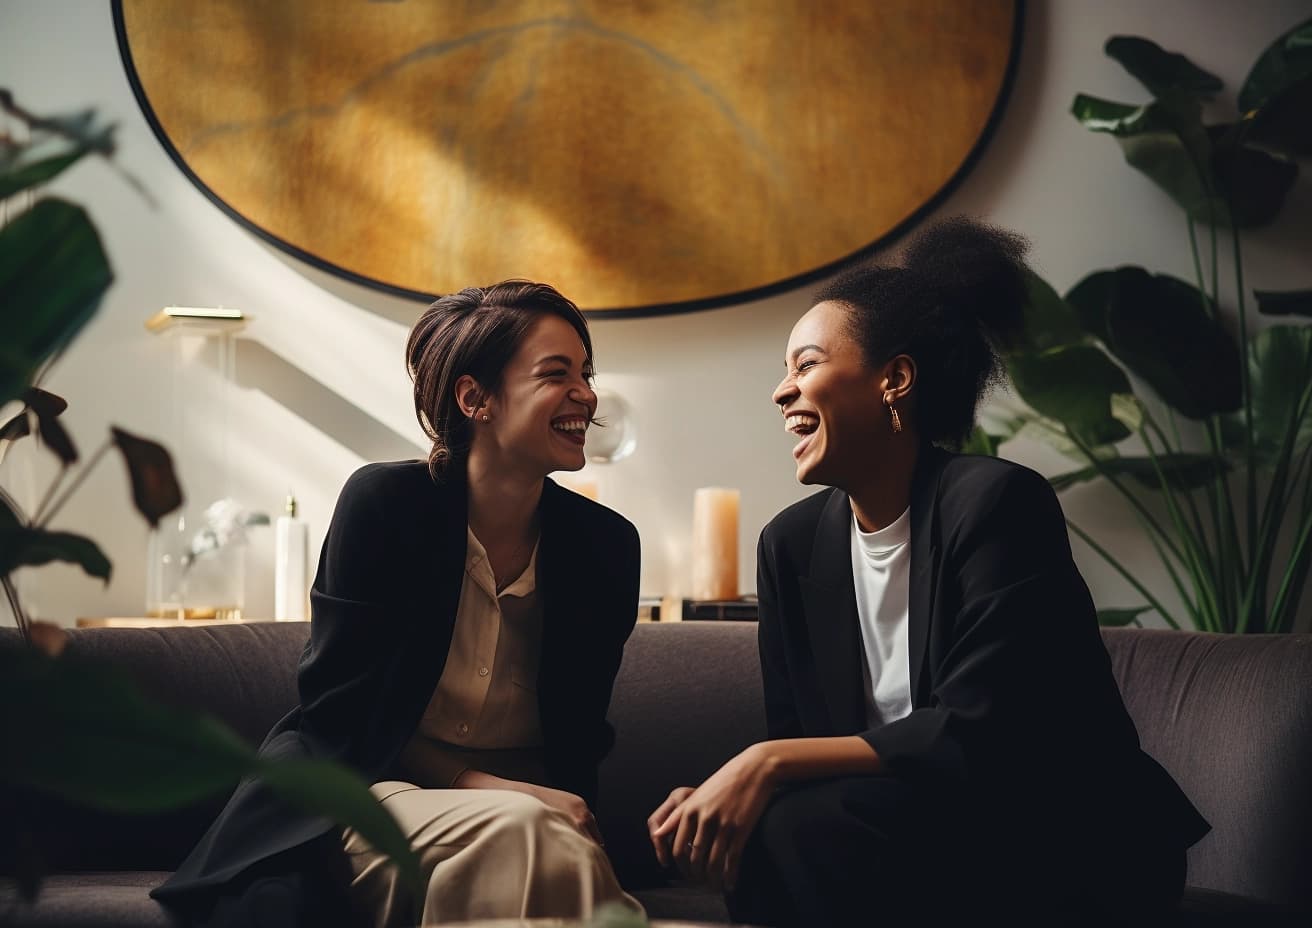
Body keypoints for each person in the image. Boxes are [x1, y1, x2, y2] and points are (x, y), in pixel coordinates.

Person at [647, 218, 1210, 926]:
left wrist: (762, 764)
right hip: (908, 823)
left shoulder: (997, 503)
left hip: (1066, 829)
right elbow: (805, 737)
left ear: (896, 379)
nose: (781, 392)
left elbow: (986, 728)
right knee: (772, 826)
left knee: (795, 826)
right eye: (785, 371)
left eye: (806, 365)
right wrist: (726, 797)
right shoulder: (789, 547)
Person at [154, 280, 643, 927]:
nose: (587, 394)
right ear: (475, 398)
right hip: (368, 789)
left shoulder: (604, 548)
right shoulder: (385, 506)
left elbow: (581, 741)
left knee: (548, 843)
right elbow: (342, 721)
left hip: (533, 813)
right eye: (558, 374)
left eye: (587, 373)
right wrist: (504, 792)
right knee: (524, 830)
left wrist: (555, 807)